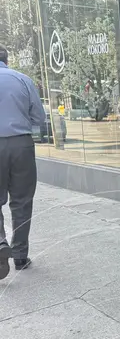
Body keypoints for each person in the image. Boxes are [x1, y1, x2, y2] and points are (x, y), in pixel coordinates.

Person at [0, 45, 45, 279]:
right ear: (6, 59)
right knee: (21, 201)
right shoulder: (22, 79)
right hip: (20, 144)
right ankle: (19, 255)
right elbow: (39, 117)